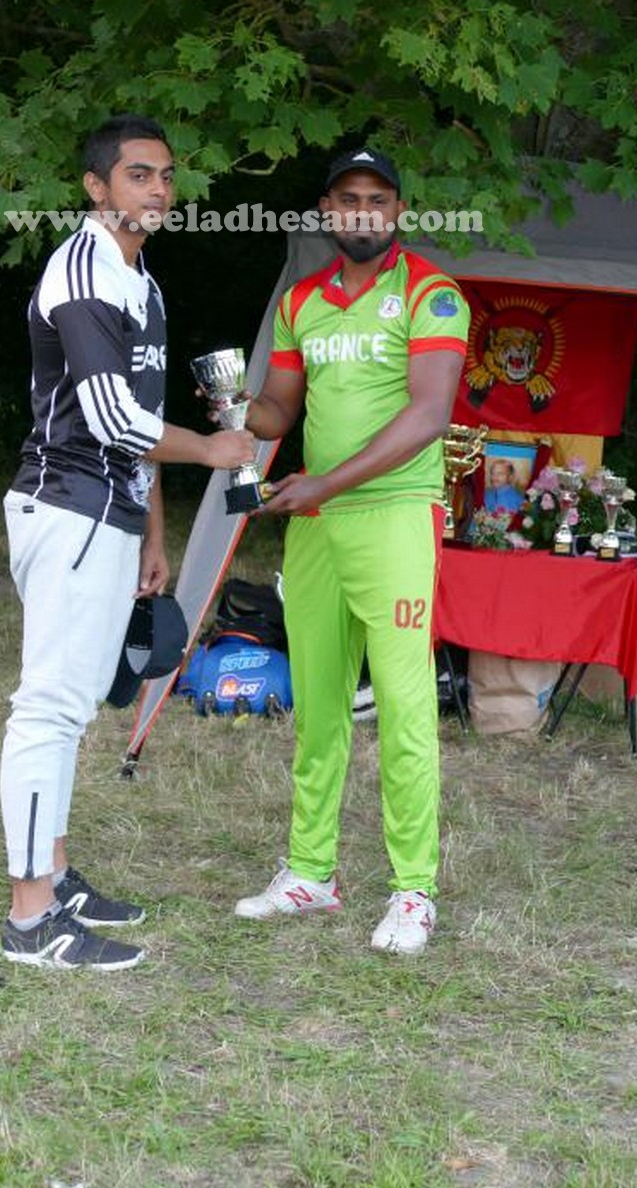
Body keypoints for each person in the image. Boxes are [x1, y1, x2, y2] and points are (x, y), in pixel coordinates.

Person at [0, 114, 255, 971]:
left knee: (72, 712)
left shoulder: (141, 281)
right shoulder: (82, 269)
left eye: (166, 176)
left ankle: (55, 878)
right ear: (96, 186)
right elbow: (112, 419)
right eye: (138, 174)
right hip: (66, 507)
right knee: (49, 709)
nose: (158, 189)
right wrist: (214, 449)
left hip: (110, 514)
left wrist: (154, 531)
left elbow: (138, 420)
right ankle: (30, 922)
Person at [235, 148, 471, 954]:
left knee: (404, 706)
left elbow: (429, 414)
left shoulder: (432, 293)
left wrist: (325, 484)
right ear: (327, 211)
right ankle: (310, 871)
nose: (362, 211)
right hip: (317, 525)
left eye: (378, 198)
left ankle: (413, 891)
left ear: (397, 210)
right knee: (319, 702)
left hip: (393, 517)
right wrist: (236, 406)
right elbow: (278, 411)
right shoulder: (302, 301)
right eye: (347, 198)